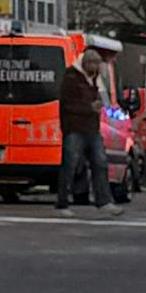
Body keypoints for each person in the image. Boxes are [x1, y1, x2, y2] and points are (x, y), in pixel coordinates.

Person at [57, 49, 121, 216]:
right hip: (75, 128)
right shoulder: (72, 77)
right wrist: (90, 108)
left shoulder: (93, 79)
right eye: (94, 65)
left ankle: (104, 201)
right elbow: (67, 103)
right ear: (87, 64)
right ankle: (62, 203)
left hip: (91, 128)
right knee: (70, 165)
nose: (96, 68)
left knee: (100, 163)